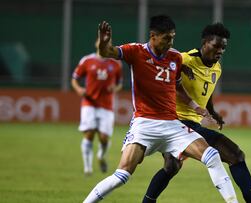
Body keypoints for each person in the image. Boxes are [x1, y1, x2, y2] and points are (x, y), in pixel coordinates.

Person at [83, 15, 239, 203]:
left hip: (172, 124)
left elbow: (178, 86)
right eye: (166, 38)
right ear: (153, 36)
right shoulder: (136, 51)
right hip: (145, 123)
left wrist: (195, 106)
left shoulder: (174, 57)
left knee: (212, 155)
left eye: (172, 37)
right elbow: (108, 52)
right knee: (122, 176)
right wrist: (104, 43)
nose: (170, 42)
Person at [142, 23, 251, 203]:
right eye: (216, 46)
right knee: (235, 155)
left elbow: (207, 92)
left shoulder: (216, 68)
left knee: (171, 166)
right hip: (175, 122)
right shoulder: (184, 59)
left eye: (223, 47)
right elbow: (158, 64)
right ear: (205, 43)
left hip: (193, 124)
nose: (220, 51)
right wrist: (178, 68)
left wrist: (213, 112)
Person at [71, 38, 123, 176]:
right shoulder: (87, 61)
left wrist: (115, 88)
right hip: (89, 103)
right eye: (101, 41)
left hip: (106, 106)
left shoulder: (116, 64)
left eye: (107, 42)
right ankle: (87, 168)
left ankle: (101, 155)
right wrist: (78, 89)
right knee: (89, 133)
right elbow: (74, 78)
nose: (104, 44)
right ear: (96, 44)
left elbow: (119, 83)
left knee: (104, 138)